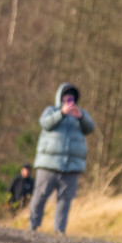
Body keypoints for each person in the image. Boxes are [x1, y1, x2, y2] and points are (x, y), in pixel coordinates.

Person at [29, 83, 95, 234]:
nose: (68, 99)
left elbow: (90, 128)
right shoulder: (51, 110)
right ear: (60, 97)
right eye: (66, 96)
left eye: (71, 97)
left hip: (71, 166)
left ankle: (59, 230)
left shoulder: (80, 114)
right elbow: (45, 124)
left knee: (65, 199)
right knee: (40, 195)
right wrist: (61, 113)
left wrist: (81, 117)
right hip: (48, 164)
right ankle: (33, 226)